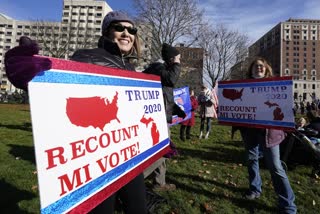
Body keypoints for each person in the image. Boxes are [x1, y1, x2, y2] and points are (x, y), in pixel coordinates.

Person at [5, 11, 147, 214]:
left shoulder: (132, 68)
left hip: (130, 155)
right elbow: (59, 85)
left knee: (139, 208)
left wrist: (155, 140)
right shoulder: (88, 57)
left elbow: (133, 111)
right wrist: (30, 71)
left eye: (131, 29)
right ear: (107, 32)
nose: (126, 33)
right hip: (98, 158)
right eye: (119, 28)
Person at [240, 57, 296, 214]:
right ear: (251, 69)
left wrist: (295, 117)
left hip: (270, 133)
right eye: (256, 66)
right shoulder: (244, 87)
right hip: (250, 132)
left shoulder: (276, 85)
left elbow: (285, 106)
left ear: (266, 69)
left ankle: (288, 205)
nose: (258, 68)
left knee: (275, 166)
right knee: (252, 161)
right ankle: (254, 189)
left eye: (261, 66)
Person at [143, 43, 183, 191]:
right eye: (178, 58)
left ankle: (160, 182)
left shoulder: (162, 69)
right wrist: (177, 64)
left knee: (162, 149)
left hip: (161, 115)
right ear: (172, 58)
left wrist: (175, 109)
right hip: (157, 118)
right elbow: (171, 80)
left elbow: (166, 91)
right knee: (165, 150)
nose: (180, 61)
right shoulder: (158, 68)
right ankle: (136, 180)